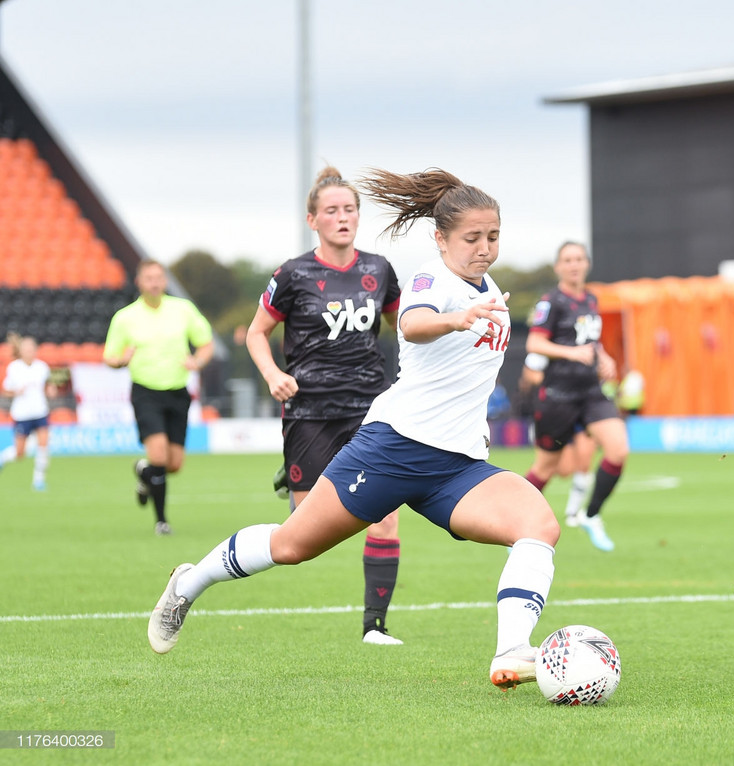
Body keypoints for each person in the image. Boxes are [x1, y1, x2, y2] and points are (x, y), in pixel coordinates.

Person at [148, 167, 560, 691]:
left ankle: (511, 653)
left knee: (539, 526)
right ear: (441, 239)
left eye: (493, 237)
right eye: (471, 238)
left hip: (455, 467)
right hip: (391, 451)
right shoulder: (434, 281)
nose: (483, 248)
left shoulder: (488, 286)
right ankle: (189, 582)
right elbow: (412, 322)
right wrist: (455, 319)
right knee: (291, 545)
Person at [244, 166, 405, 646]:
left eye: (350, 209)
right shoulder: (292, 274)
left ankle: (374, 626)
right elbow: (256, 333)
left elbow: (406, 327)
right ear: (312, 219)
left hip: (370, 408)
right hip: (309, 410)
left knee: (385, 513)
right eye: (331, 211)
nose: (342, 217)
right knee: (302, 532)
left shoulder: (379, 270)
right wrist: (274, 374)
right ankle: (291, 476)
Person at [523, 242, 629, 551]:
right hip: (558, 396)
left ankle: (590, 515)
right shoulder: (551, 302)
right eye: (567, 260)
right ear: (558, 266)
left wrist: (604, 356)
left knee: (618, 450)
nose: (574, 264)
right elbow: (534, 343)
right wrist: (572, 353)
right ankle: (513, 519)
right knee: (546, 468)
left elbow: (590, 341)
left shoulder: (591, 299)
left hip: (591, 393)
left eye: (579, 259)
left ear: (587, 263)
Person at [103, 260, 214, 536]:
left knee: (172, 464)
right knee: (158, 453)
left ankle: (144, 473)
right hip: (145, 391)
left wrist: (198, 361)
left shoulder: (182, 310)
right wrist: (121, 361)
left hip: (177, 392)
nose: (154, 282)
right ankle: (161, 521)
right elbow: (109, 356)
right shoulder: (125, 317)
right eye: (148, 278)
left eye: (158, 277)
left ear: (164, 281)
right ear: (139, 282)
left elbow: (206, 342)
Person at [522, 352, 598, 528]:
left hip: (584, 407)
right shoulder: (549, 341)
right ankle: (519, 506)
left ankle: (573, 513)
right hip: (557, 408)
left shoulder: (589, 339)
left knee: (585, 459)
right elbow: (530, 372)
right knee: (561, 470)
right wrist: (557, 385)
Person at [0, 334, 55, 490]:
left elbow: (47, 387)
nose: (29, 352)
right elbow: (6, 391)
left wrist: (50, 390)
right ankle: (2, 458)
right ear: (21, 351)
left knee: (43, 445)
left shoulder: (42, 367)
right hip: (22, 414)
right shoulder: (14, 368)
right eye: (26, 349)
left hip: (40, 411)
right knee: (20, 453)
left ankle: (39, 480)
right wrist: (17, 391)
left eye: (32, 349)